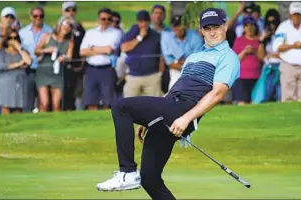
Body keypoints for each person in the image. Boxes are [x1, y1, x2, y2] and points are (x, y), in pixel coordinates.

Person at [96, 8, 240, 200]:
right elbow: (176, 89)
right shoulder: (193, 56)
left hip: (183, 110)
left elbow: (216, 94)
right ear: (201, 30)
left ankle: (127, 172)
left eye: (217, 27)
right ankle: (134, 175)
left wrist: (186, 119)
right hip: (170, 106)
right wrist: (147, 118)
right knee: (150, 178)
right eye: (207, 28)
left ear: (225, 26)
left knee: (120, 107)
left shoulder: (228, 57)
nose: (212, 32)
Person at [80, 8, 122, 110]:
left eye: (109, 19)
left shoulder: (116, 32)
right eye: (103, 19)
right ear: (99, 19)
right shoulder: (90, 32)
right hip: (91, 69)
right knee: (91, 100)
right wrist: (100, 49)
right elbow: (82, 52)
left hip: (107, 69)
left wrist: (91, 48)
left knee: (107, 101)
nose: (106, 21)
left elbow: (109, 50)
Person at [34, 16, 74, 112]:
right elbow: (36, 50)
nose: (67, 27)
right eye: (65, 24)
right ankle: (42, 124)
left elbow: (69, 57)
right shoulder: (47, 36)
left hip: (57, 73)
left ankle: (56, 125)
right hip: (43, 71)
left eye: (70, 25)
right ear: (60, 25)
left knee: (56, 105)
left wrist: (63, 58)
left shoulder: (69, 42)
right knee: (45, 103)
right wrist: (46, 50)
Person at [121, 10, 163, 97]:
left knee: (154, 105)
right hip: (134, 76)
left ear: (149, 22)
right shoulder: (132, 32)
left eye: (145, 22)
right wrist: (139, 37)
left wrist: (160, 73)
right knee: (129, 104)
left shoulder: (156, 35)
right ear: (137, 22)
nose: (143, 24)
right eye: (141, 22)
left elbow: (161, 56)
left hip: (152, 76)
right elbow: (124, 48)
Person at [19, 6, 52, 113]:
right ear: (31, 17)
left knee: (44, 102)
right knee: (27, 100)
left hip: (44, 69)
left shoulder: (49, 31)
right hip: (28, 70)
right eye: (35, 16)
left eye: (41, 16)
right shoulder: (23, 33)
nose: (38, 18)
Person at [161, 15, 203, 90]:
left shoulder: (195, 37)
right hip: (176, 72)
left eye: (180, 26)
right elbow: (170, 63)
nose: (177, 29)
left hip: (193, 73)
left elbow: (197, 62)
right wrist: (185, 63)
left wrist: (179, 62)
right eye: (175, 26)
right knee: (173, 96)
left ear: (185, 26)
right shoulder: (167, 38)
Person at [0, 30, 32, 114]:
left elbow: (29, 62)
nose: (13, 40)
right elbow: (2, 66)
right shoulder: (1, 52)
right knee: (5, 107)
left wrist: (19, 48)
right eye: (10, 38)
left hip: (20, 83)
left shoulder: (22, 51)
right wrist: (19, 64)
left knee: (18, 109)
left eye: (15, 38)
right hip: (5, 83)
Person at [61, 1, 86, 111]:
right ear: (63, 12)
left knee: (77, 93)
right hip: (61, 67)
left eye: (73, 10)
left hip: (77, 67)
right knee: (64, 95)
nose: (70, 13)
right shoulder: (59, 28)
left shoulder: (80, 28)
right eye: (67, 10)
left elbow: (83, 45)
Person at [232, 16, 261, 105]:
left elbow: (262, 58)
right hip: (241, 77)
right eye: (247, 26)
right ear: (244, 27)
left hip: (256, 76)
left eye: (252, 25)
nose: (250, 28)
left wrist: (254, 51)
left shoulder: (259, 40)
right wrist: (244, 52)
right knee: (242, 103)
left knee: (255, 102)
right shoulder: (239, 40)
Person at [257, 9, 281, 102]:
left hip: (281, 67)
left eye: (274, 21)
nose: (272, 24)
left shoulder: (282, 34)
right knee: (266, 96)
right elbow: (261, 57)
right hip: (268, 68)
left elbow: (285, 54)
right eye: (269, 22)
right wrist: (261, 41)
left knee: (280, 95)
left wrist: (271, 55)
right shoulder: (266, 36)